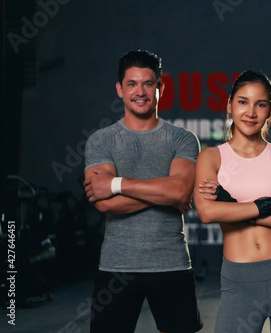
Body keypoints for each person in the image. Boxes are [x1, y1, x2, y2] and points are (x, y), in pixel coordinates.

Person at [83, 49, 203, 333]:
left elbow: (179, 192)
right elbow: (104, 204)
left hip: (172, 264)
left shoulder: (183, 139)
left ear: (160, 87)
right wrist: (168, 193)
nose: (140, 92)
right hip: (116, 266)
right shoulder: (101, 140)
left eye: (148, 84)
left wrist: (116, 184)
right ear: (119, 89)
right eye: (132, 84)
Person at [194, 70, 271, 332]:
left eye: (260, 104)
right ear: (229, 104)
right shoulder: (212, 157)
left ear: (269, 110)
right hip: (239, 279)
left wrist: (234, 207)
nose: (251, 112)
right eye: (242, 102)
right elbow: (206, 212)